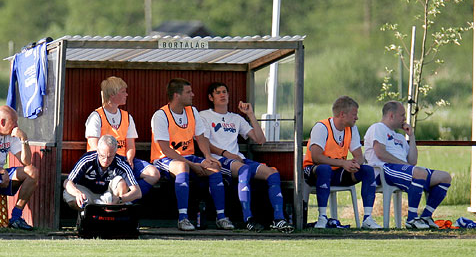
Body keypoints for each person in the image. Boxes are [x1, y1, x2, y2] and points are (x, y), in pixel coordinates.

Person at [199, 82, 294, 233]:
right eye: (218, 93)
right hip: (219, 160)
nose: (222, 95)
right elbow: (203, 142)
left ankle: (279, 219)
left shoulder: (236, 118)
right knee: (244, 170)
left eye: (225, 92)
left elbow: (260, 140)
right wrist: (226, 153)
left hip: (238, 159)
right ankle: (248, 219)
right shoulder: (204, 115)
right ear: (211, 97)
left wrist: (250, 114)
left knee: (272, 173)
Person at [150, 78, 229, 231]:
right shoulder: (160, 115)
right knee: (182, 167)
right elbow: (165, 149)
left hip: (189, 157)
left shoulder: (192, 111)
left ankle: (221, 217)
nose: (192, 94)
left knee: (214, 168)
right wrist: (192, 165)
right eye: (188, 92)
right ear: (176, 95)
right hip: (164, 159)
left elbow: (200, 137)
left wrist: (207, 156)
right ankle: (183, 218)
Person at [364, 101, 451, 229]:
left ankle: (426, 216)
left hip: (401, 169)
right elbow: (380, 153)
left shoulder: (399, 137)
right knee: (419, 172)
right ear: (391, 115)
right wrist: (406, 166)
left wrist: (412, 136)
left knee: (445, 177)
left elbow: (413, 161)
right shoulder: (377, 128)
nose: (404, 119)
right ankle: (411, 219)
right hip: (384, 169)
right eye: (402, 115)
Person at [303, 96, 380, 229]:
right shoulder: (322, 127)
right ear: (342, 114)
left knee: (367, 170)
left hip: (336, 172)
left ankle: (367, 218)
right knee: (324, 169)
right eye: (354, 114)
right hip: (314, 172)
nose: (357, 118)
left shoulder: (351, 129)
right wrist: (344, 164)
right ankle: (322, 218)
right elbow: (316, 157)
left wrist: (356, 163)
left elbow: (359, 156)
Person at [85, 76, 160, 197]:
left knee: (154, 174)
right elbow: (94, 147)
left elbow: (130, 145)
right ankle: (117, 201)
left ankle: (127, 199)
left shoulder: (127, 116)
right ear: (112, 94)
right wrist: (111, 161)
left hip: (123, 160)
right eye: (123, 92)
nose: (127, 94)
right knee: (121, 182)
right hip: (105, 162)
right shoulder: (96, 117)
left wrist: (130, 158)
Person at [63, 135, 142, 209]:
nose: (105, 161)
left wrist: (120, 199)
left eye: (110, 157)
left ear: (115, 153)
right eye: (102, 156)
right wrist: (77, 194)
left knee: (122, 183)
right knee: (68, 194)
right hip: (87, 194)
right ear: (97, 150)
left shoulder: (122, 164)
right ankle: (85, 215)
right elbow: (67, 182)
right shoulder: (87, 159)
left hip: (110, 196)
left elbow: (137, 192)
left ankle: (115, 213)